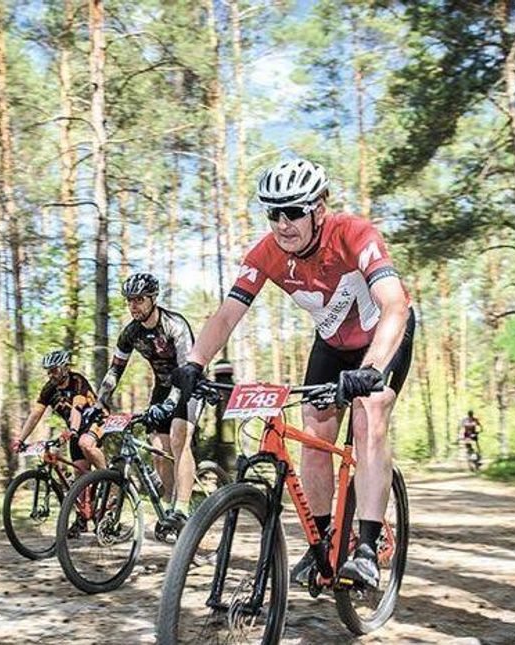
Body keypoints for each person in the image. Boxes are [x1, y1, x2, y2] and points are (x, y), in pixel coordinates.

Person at [169, 158, 415, 590]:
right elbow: (227, 315)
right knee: (314, 435)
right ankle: (322, 545)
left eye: (294, 211)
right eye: (273, 213)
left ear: (319, 208)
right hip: (334, 342)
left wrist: (372, 368)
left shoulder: (354, 233)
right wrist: (193, 363)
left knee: (368, 415)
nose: (283, 224)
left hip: (384, 335)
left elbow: (394, 304)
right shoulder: (267, 253)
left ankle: (367, 549)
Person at [97, 272, 202, 530]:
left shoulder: (174, 325)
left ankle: (182, 509)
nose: (134, 305)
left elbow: (186, 368)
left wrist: (171, 404)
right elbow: (115, 370)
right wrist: (99, 403)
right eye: (129, 300)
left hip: (189, 385)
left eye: (139, 299)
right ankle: (168, 510)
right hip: (162, 388)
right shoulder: (130, 333)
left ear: (153, 299)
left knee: (179, 440)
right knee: (157, 450)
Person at [12, 350, 106, 475]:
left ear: (65, 368)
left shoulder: (77, 381)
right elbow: (35, 415)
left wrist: (72, 430)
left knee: (85, 444)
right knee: (79, 472)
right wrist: (20, 440)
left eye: (54, 370)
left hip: (97, 420)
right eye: (48, 372)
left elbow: (76, 408)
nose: (51, 375)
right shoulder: (49, 389)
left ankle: (108, 481)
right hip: (76, 428)